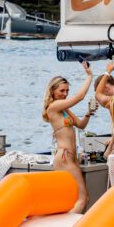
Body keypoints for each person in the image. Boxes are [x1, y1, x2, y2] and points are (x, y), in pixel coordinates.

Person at [42, 65, 95, 213]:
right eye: (61, 91)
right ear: (52, 91)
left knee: (74, 199)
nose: (65, 94)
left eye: (67, 91)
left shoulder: (64, 109)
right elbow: (79, 97)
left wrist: (89, 112)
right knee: (83, 198)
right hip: (64, 157)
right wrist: (90, 76)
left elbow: (81, 125)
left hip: (71, 158)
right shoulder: (53, 106)